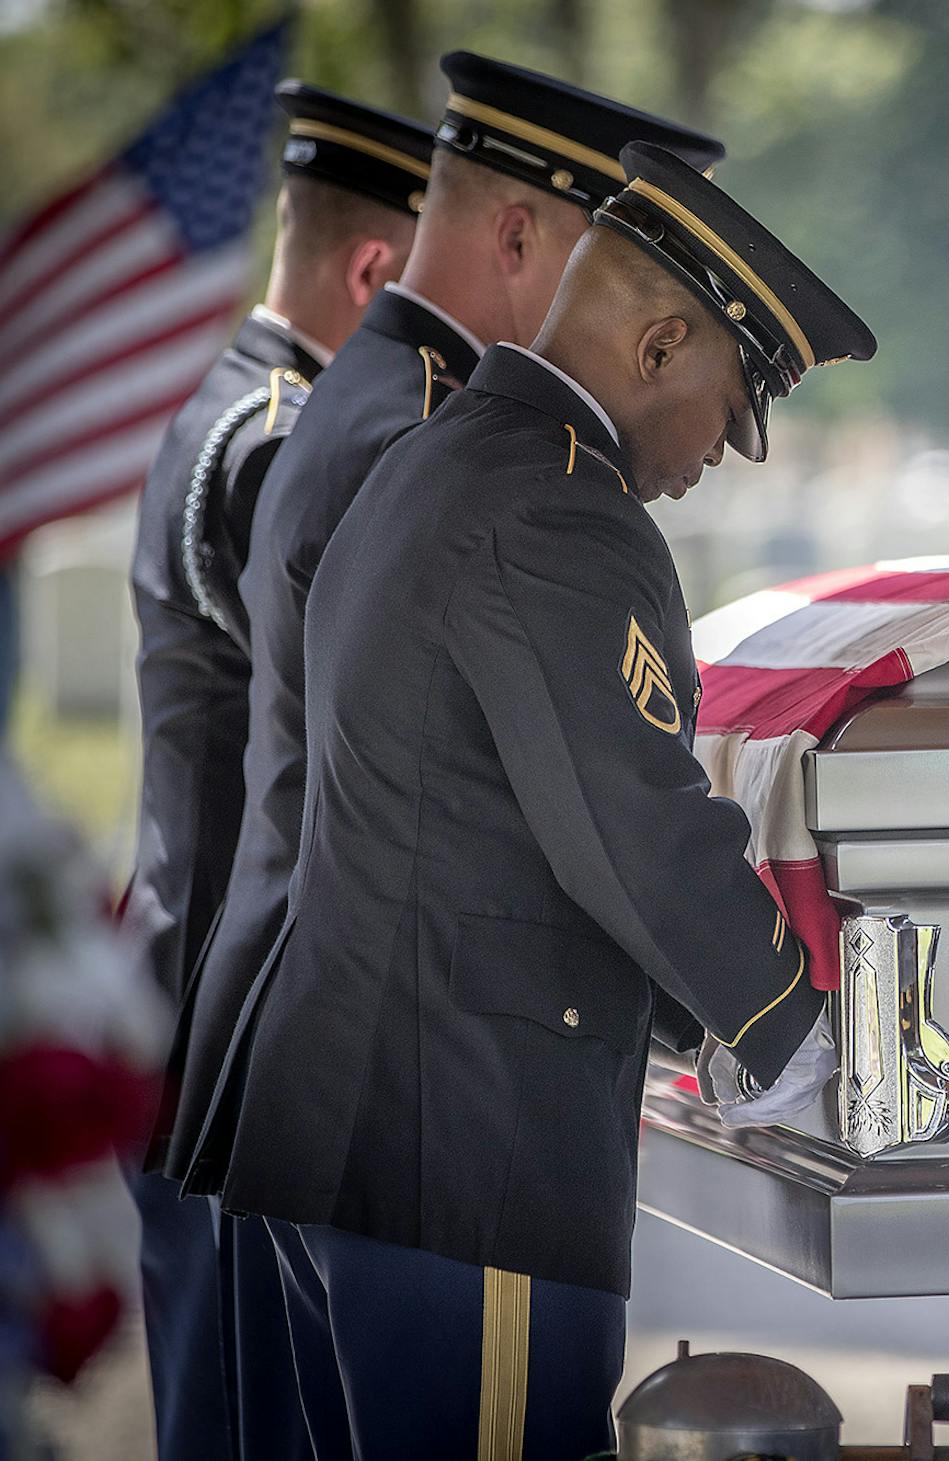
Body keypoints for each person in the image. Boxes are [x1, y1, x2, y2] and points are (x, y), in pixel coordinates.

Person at [186, 139, 867, 1458]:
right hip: (466, 1145)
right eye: (729, 412)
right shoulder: (557, 508)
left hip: (374, 1117)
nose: (723, 455)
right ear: (661, 342)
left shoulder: (443, 458)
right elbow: (629, 814)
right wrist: (785, 1026)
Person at [166, 50, 720, 1195]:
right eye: (598, 254)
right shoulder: (428, 432)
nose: (610, 296)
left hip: (304, 1032)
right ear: (517, 238)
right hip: (397, 1065)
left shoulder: (374, 397)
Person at [123, 79, 430, 1460]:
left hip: (195, 987)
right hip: (234, 1015)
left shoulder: (226, 404)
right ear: (377, 268)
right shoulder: (279, 442)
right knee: (258, 1422)